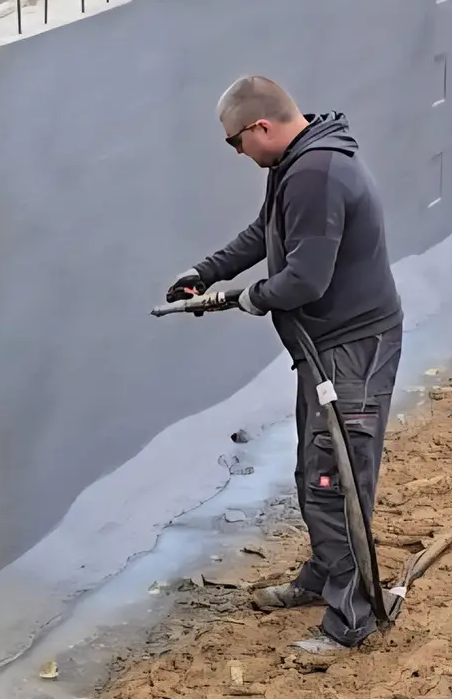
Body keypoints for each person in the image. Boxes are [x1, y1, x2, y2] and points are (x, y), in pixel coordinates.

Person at [164, 75, 404, 654]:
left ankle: (352, 618)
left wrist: (244, 298)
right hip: (325, 346)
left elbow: (303, 279)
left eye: (235, 143)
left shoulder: (318, 173)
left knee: (335, 477)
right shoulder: (295, 165)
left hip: (354, 349)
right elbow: (266, 234)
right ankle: (325, 577)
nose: (238, 154)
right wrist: (209, 273)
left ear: (261, 126)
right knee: (314, 466)